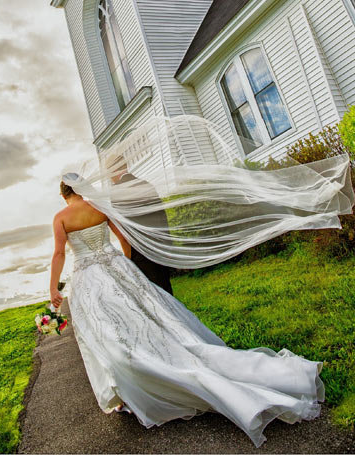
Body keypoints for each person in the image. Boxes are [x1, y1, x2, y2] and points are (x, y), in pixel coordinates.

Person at [49, 178, 326, 448]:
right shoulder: (101, 208)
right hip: (118, 268)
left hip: (91, 280)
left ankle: (126, 393)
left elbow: (59, 253)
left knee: (107, 333)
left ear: (64, 195)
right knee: (150, 319)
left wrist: (54, 289)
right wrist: (127, 268)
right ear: (81, 188)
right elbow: (125, 239)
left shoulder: (61, 217)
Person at [107, 153, 173, 295]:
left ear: (113, 171)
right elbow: (162, 214)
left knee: (153, 291)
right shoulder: (145, 183)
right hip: (159, 243)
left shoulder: (116, 192)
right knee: (165, 285)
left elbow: (123, 226)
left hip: (139, 249)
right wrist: (168, 242)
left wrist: (128, 255)